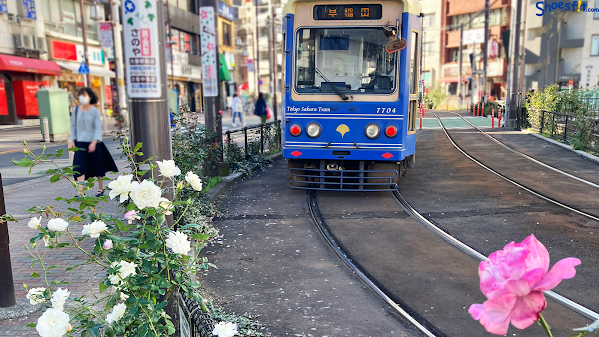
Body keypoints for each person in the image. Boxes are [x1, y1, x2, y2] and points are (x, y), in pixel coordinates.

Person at [69, 87, 118, 197]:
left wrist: (94, 142)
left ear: (90, 97)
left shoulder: (94, 111)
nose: (82, 98)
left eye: (85, 95)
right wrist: (72, 139)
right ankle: (80, 191)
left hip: (94, 142)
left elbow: (97, 128)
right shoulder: (76, 110)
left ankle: (100, 189)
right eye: (81, 95)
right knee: (79, 166)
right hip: (80, 142)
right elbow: (73, 126)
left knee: (98, 165)